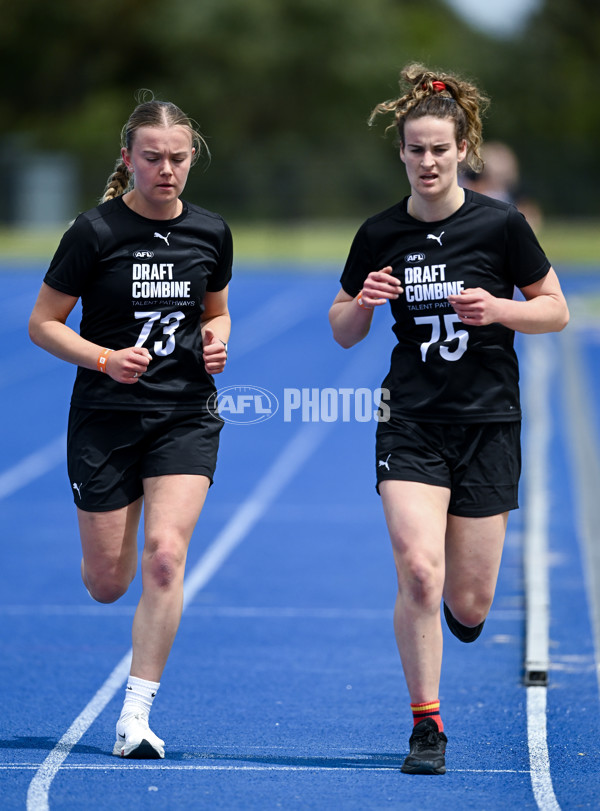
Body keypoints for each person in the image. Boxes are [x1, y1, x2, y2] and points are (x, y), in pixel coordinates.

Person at [328, 64, 568, 775]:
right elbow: (341, 328)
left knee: (468, 599)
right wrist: (363, 303)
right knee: (419, 569)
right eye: (415, 149)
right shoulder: (379, 233)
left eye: (440, 148)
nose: (427, 161)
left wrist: (500, 309)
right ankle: (426, 723)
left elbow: (554, 307)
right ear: (400, 152)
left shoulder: (500, 226)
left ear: (463, 149)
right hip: (411, 422)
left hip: (488, 423)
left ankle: (459, 618)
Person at [29, 93, 232, 759]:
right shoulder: (94, 232)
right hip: (106, 417)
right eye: (152, 158)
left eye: (177, 158)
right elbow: (44, 323)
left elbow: (217, 311)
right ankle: (118, 508)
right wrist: (104, 358)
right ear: (128, 159)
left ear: (192, 158)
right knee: (107, 581)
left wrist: (217, 339)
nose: (166, 169)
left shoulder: (210, 231)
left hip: (184, 413)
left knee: (167, 555)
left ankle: (135, 715)